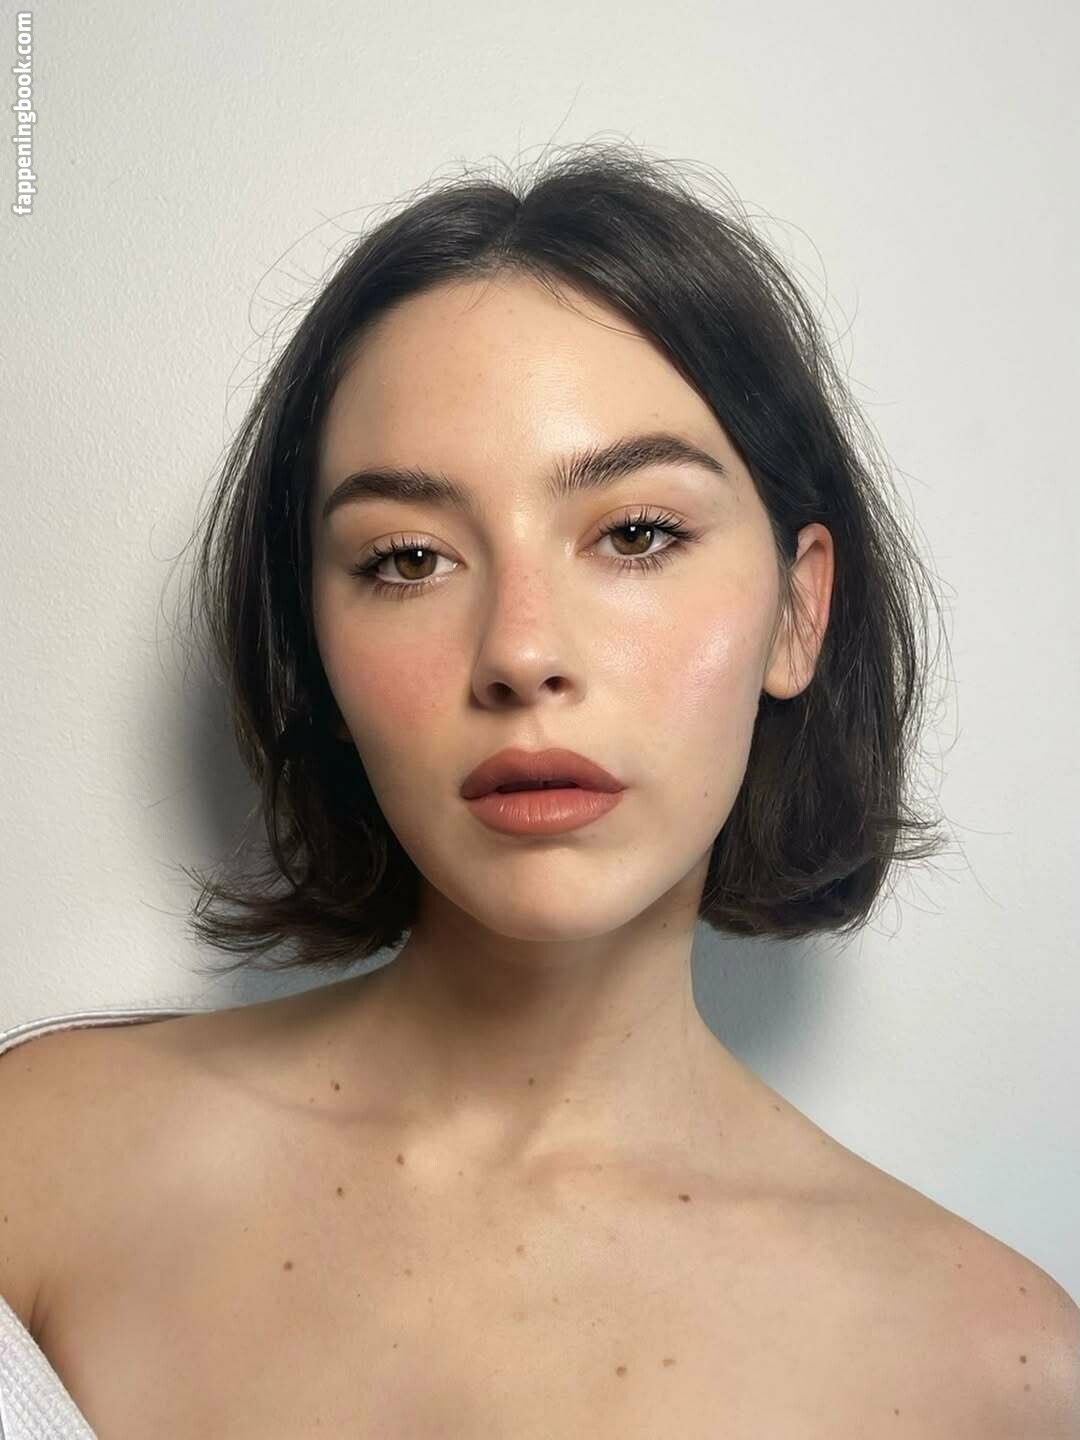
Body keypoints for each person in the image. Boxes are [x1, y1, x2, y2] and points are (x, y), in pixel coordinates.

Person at [3, 141, 1077, 1437]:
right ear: (314, 644)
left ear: (798, 613)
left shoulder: (1000, 1372)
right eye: (408, 558)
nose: (519, 653)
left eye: (636, 534)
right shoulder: (35, 1160)